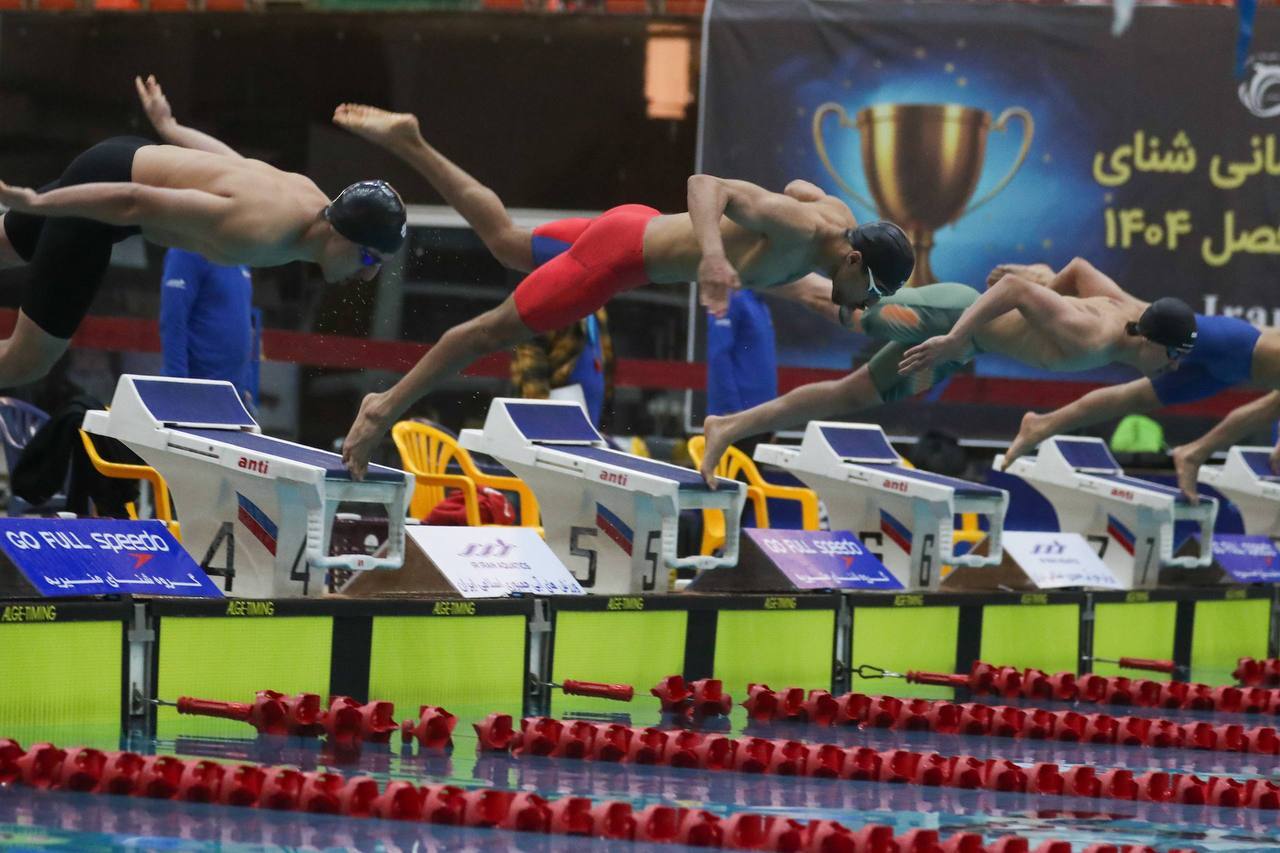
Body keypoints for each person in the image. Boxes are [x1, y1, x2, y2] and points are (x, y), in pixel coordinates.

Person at [329, 104, 915, 479]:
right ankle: (381, 408)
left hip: (634, 226)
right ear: (855, 259)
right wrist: (713, 256)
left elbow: (800, 200)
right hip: (620, 259)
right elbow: (706, 184)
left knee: (507, 241)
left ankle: (411, 141)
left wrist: (898, 323)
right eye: (866, 293)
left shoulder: (832, 223)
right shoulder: (799, 225)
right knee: (485, 333)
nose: (861, 305)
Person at [0, 75, 405, 389]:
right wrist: (39, 204)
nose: (368, 275)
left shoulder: (309, 200)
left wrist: (170, 126)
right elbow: (135, 202)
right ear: (341, 232)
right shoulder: (259, 229)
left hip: (123, 158)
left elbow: (233, 163)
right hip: (109, 200)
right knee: (26, 361)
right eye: (368, 258)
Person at [697, 259, 1194, 485]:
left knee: (852, 396)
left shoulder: (1129, 309)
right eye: (1171, 358)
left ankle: (728, 426)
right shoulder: (1093, 334)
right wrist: (957, 336)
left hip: (960, 346)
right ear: (1149, 342)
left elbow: (1081, 270)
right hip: (950, 320)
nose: (1171, 369)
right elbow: (1014, 293)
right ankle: (732, 266)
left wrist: (1045, 283)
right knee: (842, 310)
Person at [160, 248, 257, 406]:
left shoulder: (240, 255)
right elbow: (173, 323)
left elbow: (243, 325)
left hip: (237, 398)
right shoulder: (186, 251)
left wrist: (247, 387)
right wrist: (176, 387)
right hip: (197, 395)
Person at [512, 309, 614, 429]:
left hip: (591, 414)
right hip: (553, 414)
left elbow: (606, 358)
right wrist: (540, 410)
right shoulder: (552, 301)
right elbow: (530, 353)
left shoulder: (598, 309)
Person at [706, 288, 778, 455]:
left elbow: (763, 363)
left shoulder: (760, 302)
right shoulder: (728, 297)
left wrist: (771, 424)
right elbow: (718, 356)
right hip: (737, 418)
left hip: (761, 420)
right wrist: (730, 410)